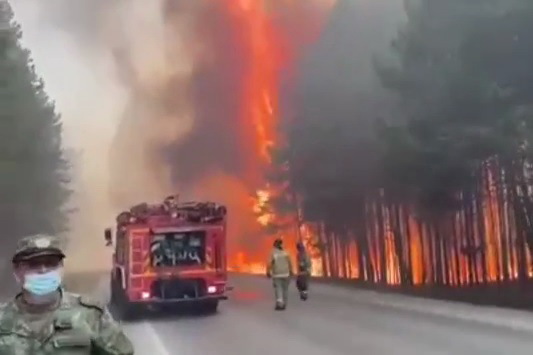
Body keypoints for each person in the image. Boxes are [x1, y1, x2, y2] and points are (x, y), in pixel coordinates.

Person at [0, 234, 134, 354]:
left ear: (61, 268)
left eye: (51, 263)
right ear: (17, 272)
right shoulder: (2, 320)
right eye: (33, 264)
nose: (43, 270)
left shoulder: (90, 315)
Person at [266, 238, 293, 310]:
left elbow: (269, 263)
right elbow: (290, 263)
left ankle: (279, 304)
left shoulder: (273, 253)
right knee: (285, 289)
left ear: (275, 245)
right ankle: (284, 304)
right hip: (286, 274)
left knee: (278, 289)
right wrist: (291, 271)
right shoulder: (286, 252)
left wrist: (268, 271)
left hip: (277, 274)